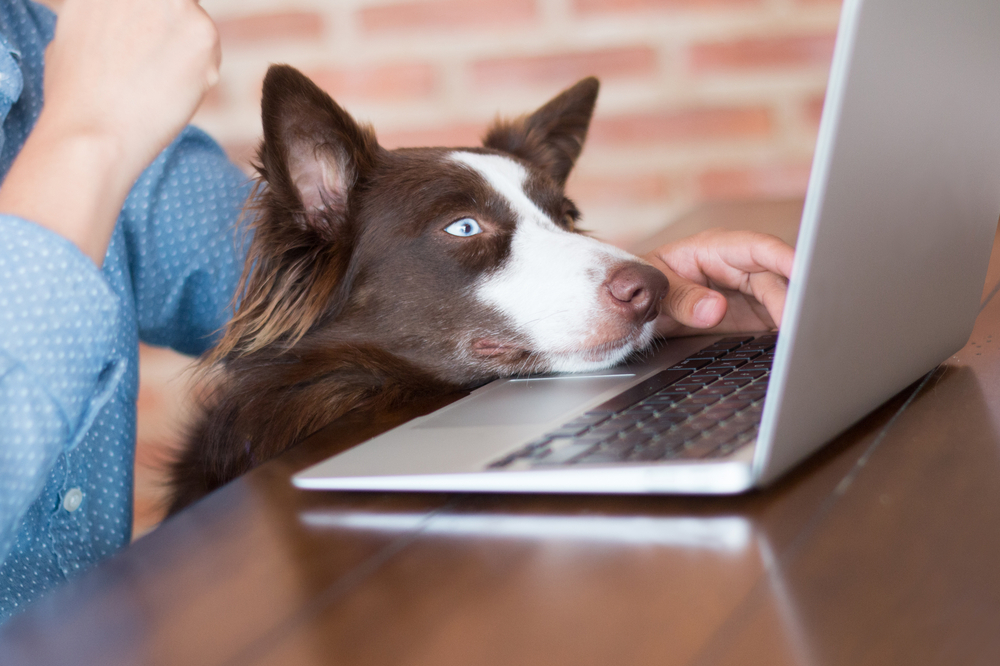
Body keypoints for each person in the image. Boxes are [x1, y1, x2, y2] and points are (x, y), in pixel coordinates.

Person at [0, 0, 793, 622]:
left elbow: (300, 289)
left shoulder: (41, 54)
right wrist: (87, 133)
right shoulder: (84, 83)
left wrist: (645, 293)